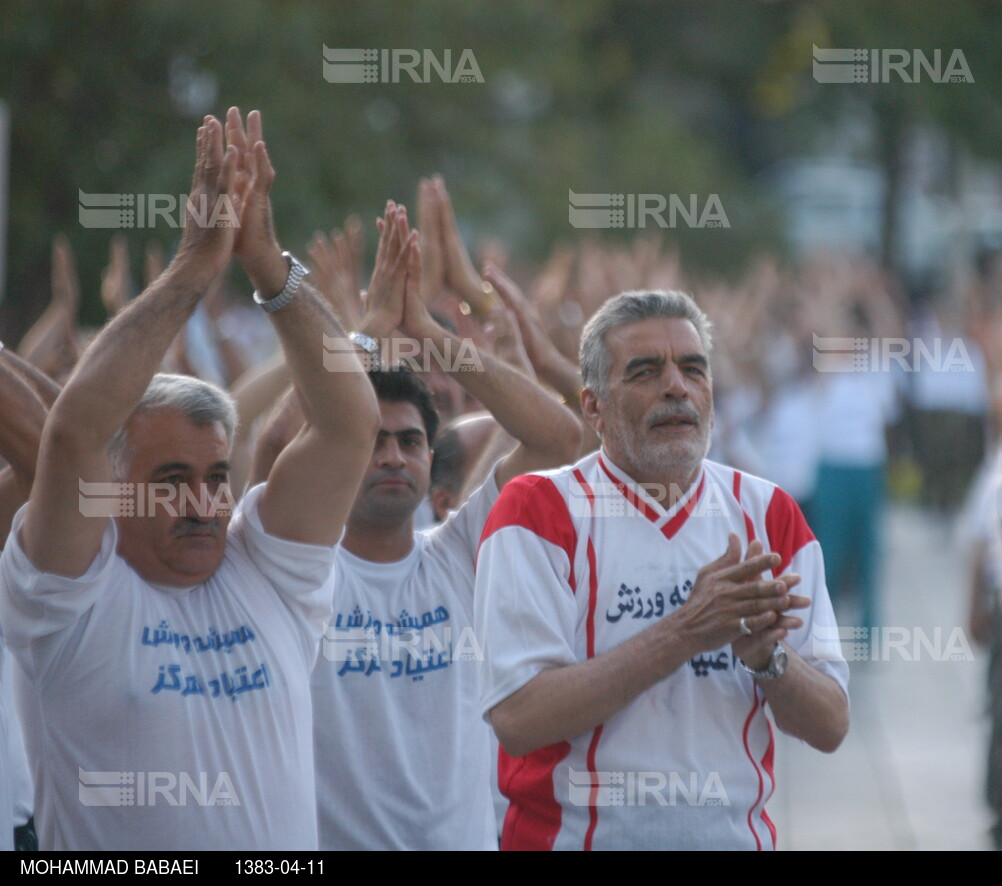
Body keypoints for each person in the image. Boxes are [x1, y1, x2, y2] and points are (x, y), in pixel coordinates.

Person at [0, 108, 378, 850]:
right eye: (172, 478)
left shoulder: (270, 574)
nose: (205, 503)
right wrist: (192, 270)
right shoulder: (68, 594)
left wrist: (267, 262)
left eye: (215, 477)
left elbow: (347, 425)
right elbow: (74, 431)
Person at [474, 289, 849, 851]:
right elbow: (519, 718)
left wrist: (768, 659)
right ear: (594, 408)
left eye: (693, 369)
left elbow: (830, 724)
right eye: (645, 372)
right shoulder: (537, 510)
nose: (676, 387)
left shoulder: (770, 512)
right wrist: (689, 630)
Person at [263, 202, 581, 850]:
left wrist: (432, 335)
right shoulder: (295, 569)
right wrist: (370, 329)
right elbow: (273, 442)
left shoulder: (461, 553)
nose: (391, 457)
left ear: (430, 461)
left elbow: (558, 436)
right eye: (372, 440)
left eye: (410, 442)